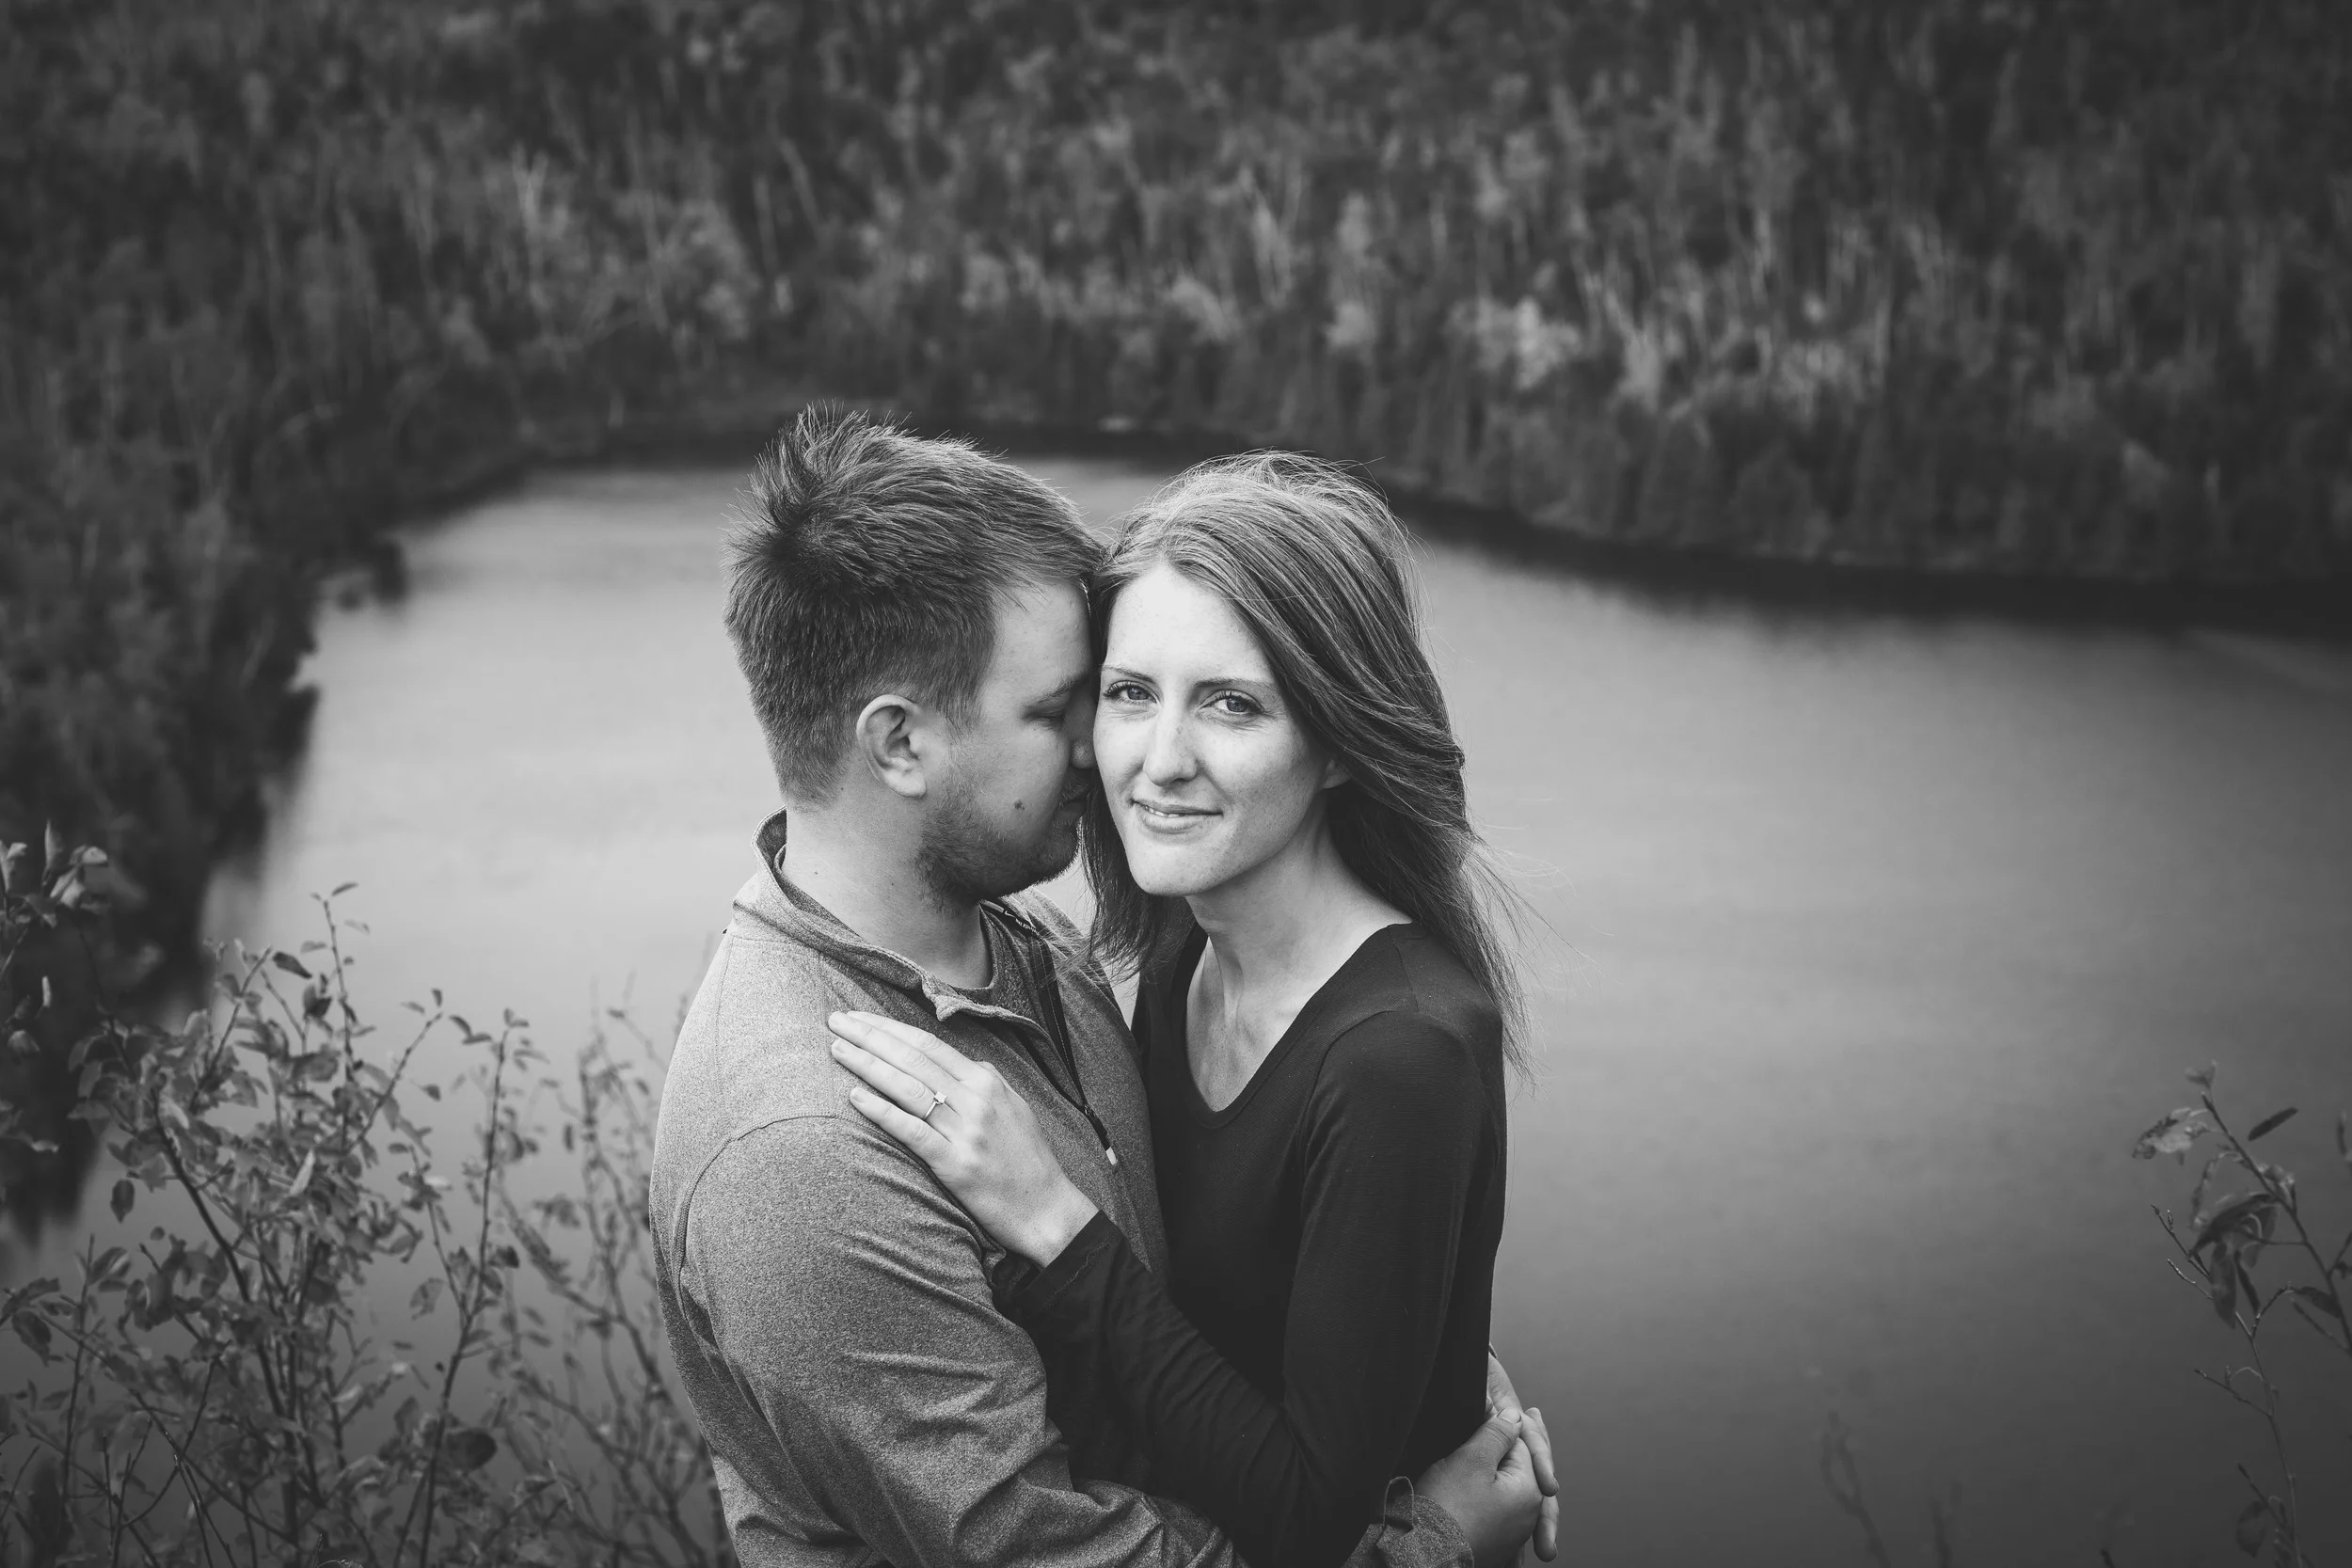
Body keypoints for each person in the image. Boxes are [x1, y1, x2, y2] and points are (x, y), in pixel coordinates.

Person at [649, 408, 1547, 1568]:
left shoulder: (1040, 951)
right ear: (899, 743)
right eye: (1089, 701)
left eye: (1227, 700)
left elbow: (1249, 1276)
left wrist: (1430, 1365)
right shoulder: (802, 1153)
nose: (1117, 755)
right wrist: (1423, 1544)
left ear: (1335, 739)